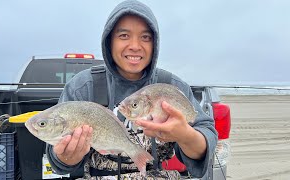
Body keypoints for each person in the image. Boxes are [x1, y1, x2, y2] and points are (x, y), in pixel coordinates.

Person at [46, 0, 218, 179]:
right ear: (109, 41)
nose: (135, 46)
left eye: (145, 37)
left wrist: (186, 135)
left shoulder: (171, 87)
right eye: (124, 36)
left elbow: (206, 134)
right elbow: (57, 160)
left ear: (155, 44)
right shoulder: (82, 86)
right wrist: (65, 157)